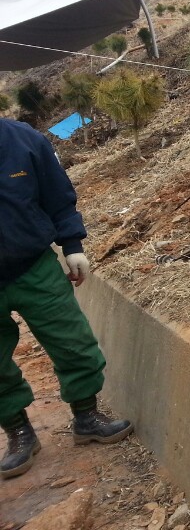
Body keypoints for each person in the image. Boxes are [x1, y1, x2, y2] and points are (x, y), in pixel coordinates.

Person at [0, 118, 132, 480]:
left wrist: (72, 245)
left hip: (33, 266)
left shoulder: (23, 140)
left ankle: (86, 416)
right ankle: (19, 432)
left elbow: (57, 194)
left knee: (73, 342)